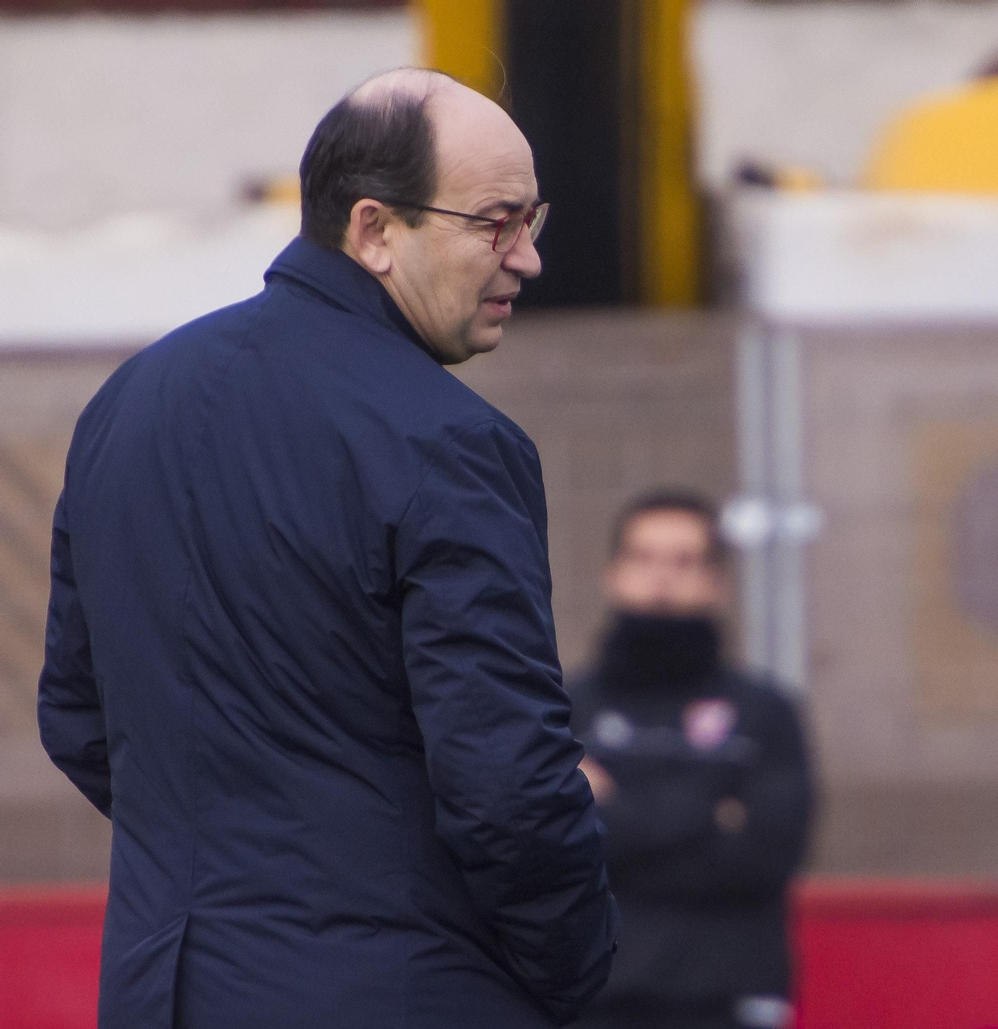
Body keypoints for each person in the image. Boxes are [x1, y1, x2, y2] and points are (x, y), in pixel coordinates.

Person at [36, 68, 617, 1029]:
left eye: (532, 221)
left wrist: (235, 860)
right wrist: (572, 971)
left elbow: (77, 714)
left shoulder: (127, 407)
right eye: (494, 223)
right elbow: (506, 779)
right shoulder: (449, 441)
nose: (528, 260)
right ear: (375, 229)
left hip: (158, 988)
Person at [568, 490, 814, 1029]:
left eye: (685, 561)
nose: (663, 578)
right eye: (645, 558)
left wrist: (611, 808)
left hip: (725, 994)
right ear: (614, 572)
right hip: (591, 995)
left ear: (718, 582)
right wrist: (710, 811)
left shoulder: (765, 713)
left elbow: (769, 854)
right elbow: (548, 848)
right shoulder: (562, 710)